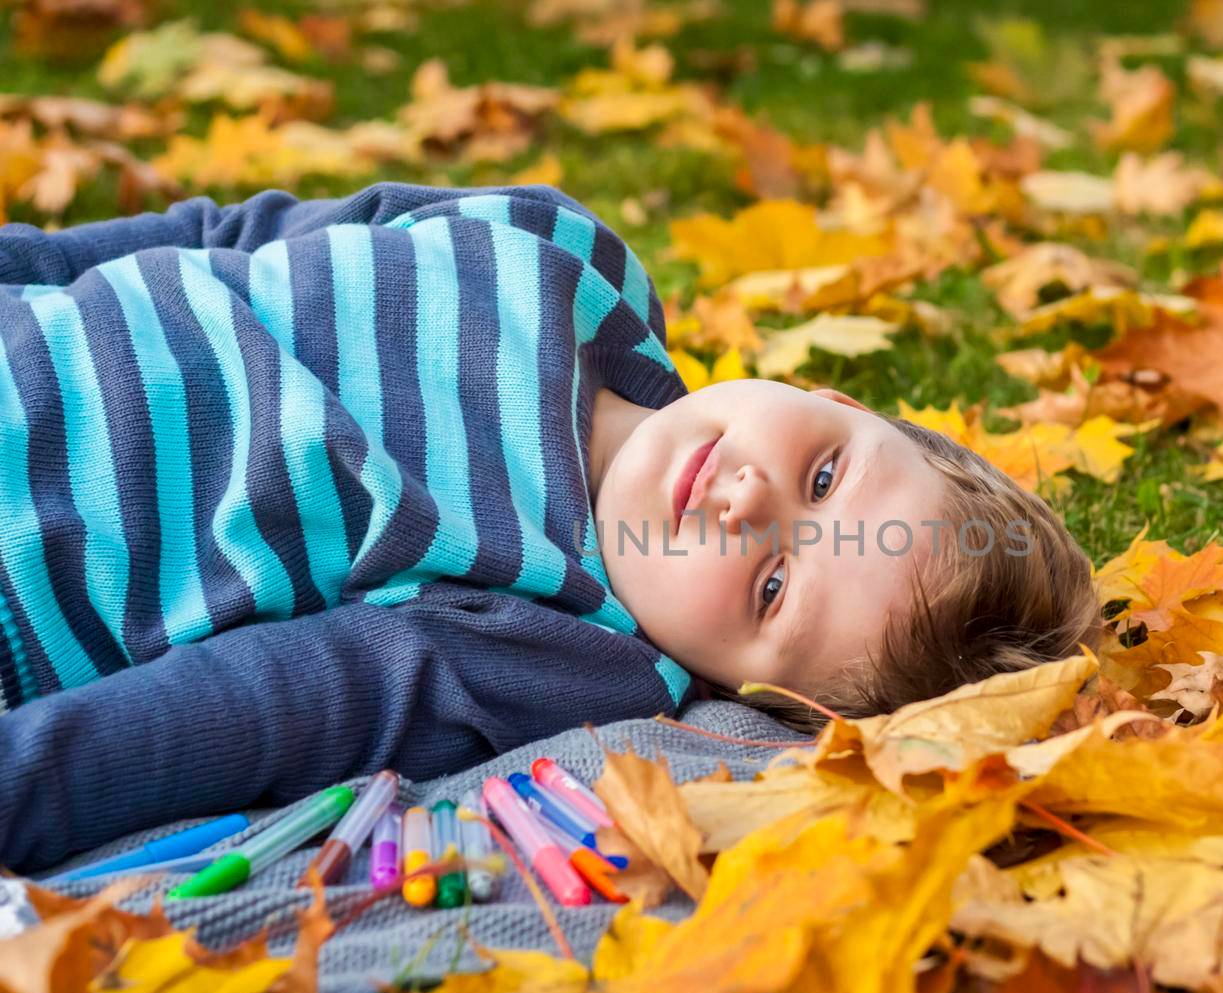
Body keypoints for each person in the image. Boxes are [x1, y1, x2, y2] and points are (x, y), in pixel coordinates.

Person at [0, 182, 1097, 873]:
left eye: (770, 589)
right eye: (823, 470)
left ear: (738, 693)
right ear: (842, 404)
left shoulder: (561, 638)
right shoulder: (567, 255)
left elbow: (264, 704)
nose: (753, 501)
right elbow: (236, 238)